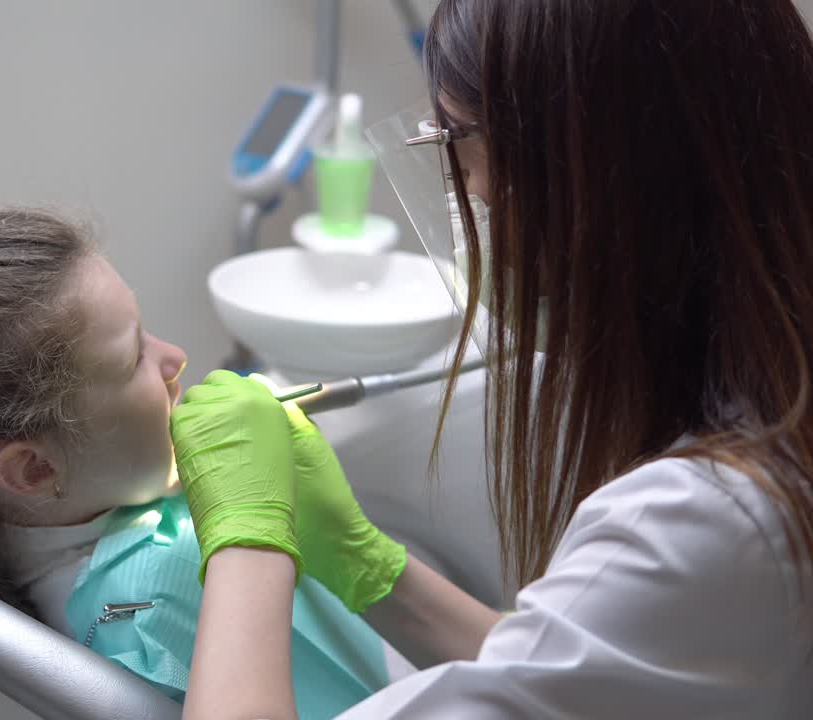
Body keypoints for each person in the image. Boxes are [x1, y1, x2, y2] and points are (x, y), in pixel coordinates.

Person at [173, 1, 813, 717]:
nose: (466, 196)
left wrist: (248, 545)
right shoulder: (765, 415)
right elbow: (572, 672)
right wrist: (369, 566)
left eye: (460, 148)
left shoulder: (702, 525)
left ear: (601, 171)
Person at [0, 207, 395, 718]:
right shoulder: (144, 606)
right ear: (35, 472)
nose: (176, 358)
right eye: (133, 359)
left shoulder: (44, 530)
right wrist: (252, 528)